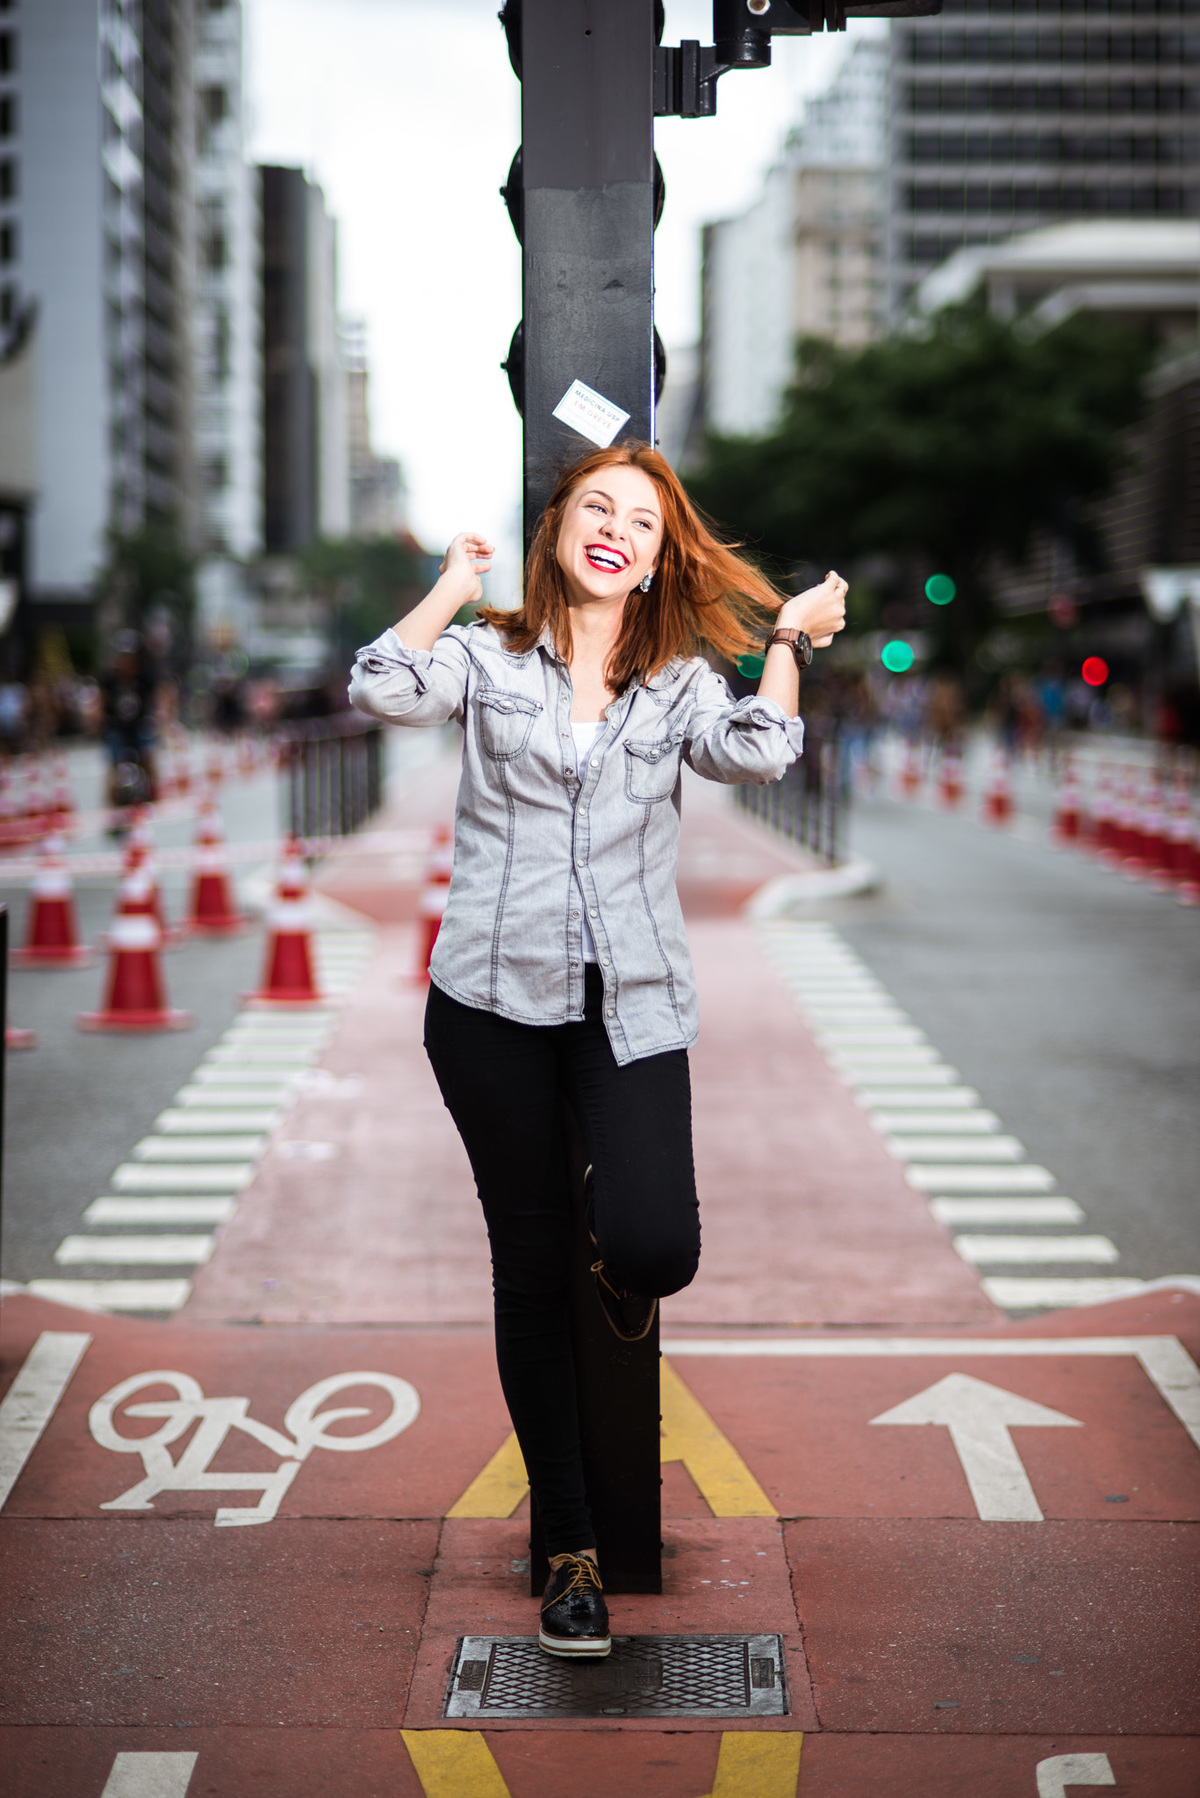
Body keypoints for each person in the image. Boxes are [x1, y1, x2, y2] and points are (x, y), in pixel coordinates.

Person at [349, 443, 846, 1661]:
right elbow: (379, 683)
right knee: (528, 1274)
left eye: (639, 518)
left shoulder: (672, 678)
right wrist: (449, 587)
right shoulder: (486, 653)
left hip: (629, 1007)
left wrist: (784, 641)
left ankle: (608, 1203)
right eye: (594, 508)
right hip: (487, 1011)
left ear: (659, 554)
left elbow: (759, 751)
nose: (614, 528)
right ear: (561, 528)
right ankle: (570, 1548)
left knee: (651, 1244)